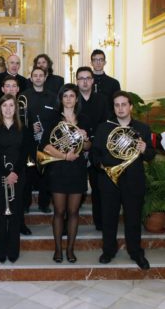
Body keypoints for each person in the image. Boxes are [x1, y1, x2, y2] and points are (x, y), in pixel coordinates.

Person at [92, 91, 156, 270]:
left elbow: (150, 155)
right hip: (109, 180)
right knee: (108, 218)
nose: (120, 108)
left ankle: (136, 252)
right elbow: (95, 154)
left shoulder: (142, 128)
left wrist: (145, 150)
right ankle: (108, 251)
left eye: (124, 104)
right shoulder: (104, 128)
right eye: (117, 105)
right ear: (113, 108)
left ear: (130, 107)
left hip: (133, 181)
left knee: (133, 219)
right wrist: (103, 167)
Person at [41, 84, 91, 263]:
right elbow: (45, 146)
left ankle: (70, 249)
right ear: (60, 99)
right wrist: (64, 156)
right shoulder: (52, 118)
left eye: (72, 96)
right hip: (58, 169)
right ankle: (58, 249)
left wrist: (85, 139)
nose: (69, 99)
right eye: (65, 96)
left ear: (77, 99)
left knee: (74, 211)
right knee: (59, 211)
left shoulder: (84, 119)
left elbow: (87, 147)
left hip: (77, 169)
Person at [0, 94, 29, 263]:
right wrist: (6, 172)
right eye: (4, 106)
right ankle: (0, 250)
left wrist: (14, 173)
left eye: (11, 105)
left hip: (18, 175)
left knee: (15, 212)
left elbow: (24, 152)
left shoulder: (23, 129)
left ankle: (13, 250)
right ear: (0, 108)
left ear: (15, 108)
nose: (8, 109)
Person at [76, 67, 109, 230]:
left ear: (92, 80)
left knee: (97, 187)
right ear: (77, 81)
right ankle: (71, 221)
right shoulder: (72, 99)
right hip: (76, 149)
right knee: (76, 186)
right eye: (81, 78)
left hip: (96, 148)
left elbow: (105, 123)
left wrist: (93, 140)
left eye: (88, 78)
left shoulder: (102, 100)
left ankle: (100, 222)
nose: (85, 81)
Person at [21, 67, 57, 214]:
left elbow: (55, 119)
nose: (37, 78)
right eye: (35, 76)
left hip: (47, 143)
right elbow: (19, 119)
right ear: (30, 78)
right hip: (29, 143)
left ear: (45, 77)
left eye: (40, 75)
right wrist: (30, 126)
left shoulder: (53, 97)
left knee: (46, 175)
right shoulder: (23, 96)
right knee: (28, 175)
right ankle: (25, 204)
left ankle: (44, 204)